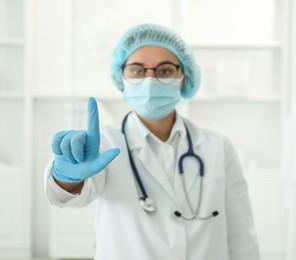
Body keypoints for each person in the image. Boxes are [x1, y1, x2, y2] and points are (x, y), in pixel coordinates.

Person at [44, 23, 261, 260]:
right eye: (137, 70)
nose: (150, 80)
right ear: (122, 77)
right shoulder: (106, 144)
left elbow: (242, 237)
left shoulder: (217, 145)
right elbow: (67, 196)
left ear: (183, 77)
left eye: (164, 71)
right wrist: (67, 177)